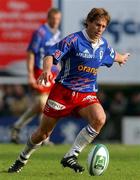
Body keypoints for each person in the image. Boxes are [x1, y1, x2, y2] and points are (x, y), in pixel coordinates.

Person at [8, 8, 130, 173]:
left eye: (103, 26)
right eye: (97, 24)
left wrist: (122, 58)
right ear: (88, 22)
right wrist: (46, 70)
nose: (100, 29)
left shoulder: (103, 45)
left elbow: (112, 54)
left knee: (100, 118)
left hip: (86, 94)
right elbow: (50, 55)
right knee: (43, 134)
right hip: (63, 92)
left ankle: (71, 155)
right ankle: (22, 159)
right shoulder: (73, 40)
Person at [10, 8, 62, 144]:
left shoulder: (57, 34)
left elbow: (57, 55)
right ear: (48, 18)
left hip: (53, 73)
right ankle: (44, 138)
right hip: (40, 71)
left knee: (40, 106)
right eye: (54, 19)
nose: (56, 22)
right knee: (43, 104)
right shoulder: (40, 33)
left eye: (58, 20)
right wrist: (30, 75)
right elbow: (31, 53)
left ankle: (17, 126)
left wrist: (60, 71)